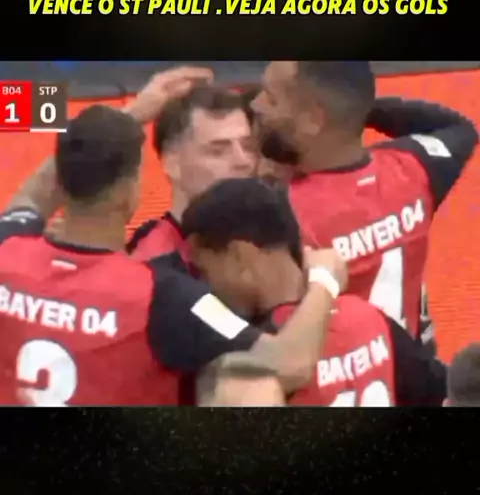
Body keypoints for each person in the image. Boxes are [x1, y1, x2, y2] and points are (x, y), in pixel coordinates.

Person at [0, 103, 347, 406]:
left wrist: (114, 124)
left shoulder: (8, 248)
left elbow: (32, 197)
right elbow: (290, 361)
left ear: (62, 181)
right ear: (129, 191)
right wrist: (325, 279)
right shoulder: (164, 295)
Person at [251, 61, 478, 354]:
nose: (255, 105)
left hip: (334, 376)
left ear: (313, 119)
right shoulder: (413, 168)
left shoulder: (281, 211)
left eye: (270, 99)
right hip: (411, 368)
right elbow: (459, 128)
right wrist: (355, 110)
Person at [181, 177, 447, 407]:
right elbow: (440, 390)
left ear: (240, 256)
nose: (205, 286)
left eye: (205, 271)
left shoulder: (254, 356)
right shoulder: (369, 318)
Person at [127, 83, 257, 261]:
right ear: (172, 164)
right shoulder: (150, 263)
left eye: (248, 146)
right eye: (218, 151)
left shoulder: (274, 245)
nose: (243, 161)